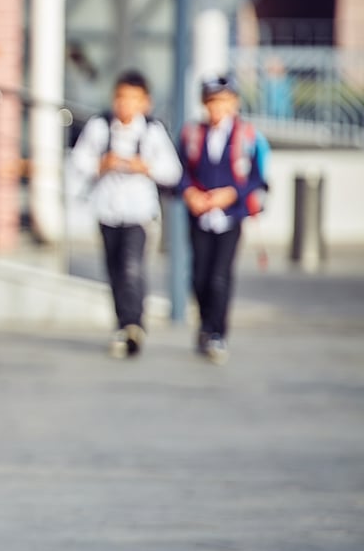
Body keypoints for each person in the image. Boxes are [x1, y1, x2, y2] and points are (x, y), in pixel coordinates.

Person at [69, 69, 182, 359]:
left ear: (146, 102)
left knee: (132, 268)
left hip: (139, 214)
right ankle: (123, 325)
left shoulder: (152, 131)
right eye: (121, 97)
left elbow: (172, 171)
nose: (126, 105)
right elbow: (79, 161)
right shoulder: (100, 126)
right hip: (107, 211)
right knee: (115, 270)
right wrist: (101, 164)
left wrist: (146, 167)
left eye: (133, 99)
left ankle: (134, 324)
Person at [178, 74, 270, 365]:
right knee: (199, 276)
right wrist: (190, 193)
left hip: (231, 217)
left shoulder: (247, 137)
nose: (218, 108)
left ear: (234, 103)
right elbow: (179, 171)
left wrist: (231, 194)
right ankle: (205, 324)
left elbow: (257, 178)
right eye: (213, 102)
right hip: (200, 216)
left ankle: (217, 332)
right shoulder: (193, 134)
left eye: (224, 102)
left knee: (220, 276)